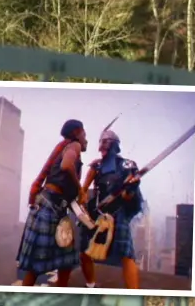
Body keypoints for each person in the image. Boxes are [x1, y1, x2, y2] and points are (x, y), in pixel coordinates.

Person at [17, 119, 88, 287]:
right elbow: (66, 165)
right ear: (77, 133)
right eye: (85, 134)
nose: (87, 139)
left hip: (51, 205)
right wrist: (80, 189)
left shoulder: (65, 147)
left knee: (63, 261)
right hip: (51, 206)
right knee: (62, 261)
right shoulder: (75, 145)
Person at [79, 129, 143, 289]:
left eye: (106, 145)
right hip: (98, 212)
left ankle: (134, 295)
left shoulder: (127, 165)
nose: (102, 149)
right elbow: (83, 190)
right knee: (84, 251)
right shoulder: (97, 166)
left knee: (126, 255)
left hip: (118, 212)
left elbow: (129, 197)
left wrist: (130, 188)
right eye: (101, 145)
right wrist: (83, 205)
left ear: (115, 146)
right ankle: (91, 286)